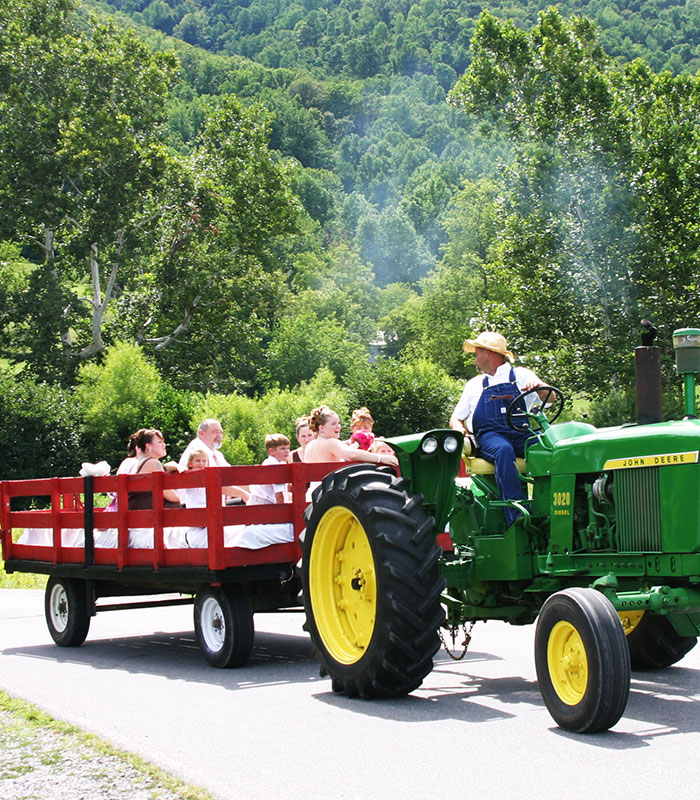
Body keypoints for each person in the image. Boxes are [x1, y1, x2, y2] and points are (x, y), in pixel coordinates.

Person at [449, 331, 547, 526]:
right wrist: (460, 431)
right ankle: (517, 516)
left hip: (521, 433)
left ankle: (548, 507)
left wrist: (539, 387)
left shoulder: (522, 375)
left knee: (549, 447)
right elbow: (455, 418)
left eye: (476, 353)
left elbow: (550, 398)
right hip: (490, 436)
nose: (474, 359)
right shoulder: (475, 384)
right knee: (503, 450)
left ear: (487, 353)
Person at [304, 406, 398, 468]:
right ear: (321, 428)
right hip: (330, 493)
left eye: (338, 423)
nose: (338, 427)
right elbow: (352, 455)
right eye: (333, 424)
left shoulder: (310, 445)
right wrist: (380, 458)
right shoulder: (331, 442)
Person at [248, 434, 291, 505]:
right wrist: (282, 511)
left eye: (288, 448)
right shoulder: (275, 466)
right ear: (271, 451)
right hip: (264, 504)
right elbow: (279, 495)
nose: (287, 451)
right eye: (283, 448)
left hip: (257, 502)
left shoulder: (269, 462)